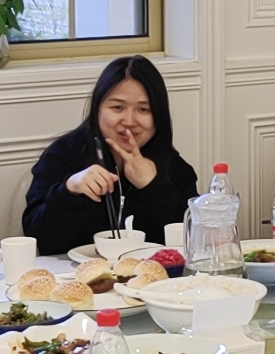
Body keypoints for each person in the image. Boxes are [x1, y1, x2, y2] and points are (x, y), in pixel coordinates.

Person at [22, 56, 201, 252]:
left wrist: (154, 188)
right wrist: (69, 191)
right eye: (117, 107)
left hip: (152, 270)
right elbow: (41, 241)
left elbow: (196, 241)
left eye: (143, 109)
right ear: (97, 109)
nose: (129, 121)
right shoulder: (63, 155)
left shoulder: (174, 167)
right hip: (76, 270)